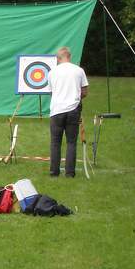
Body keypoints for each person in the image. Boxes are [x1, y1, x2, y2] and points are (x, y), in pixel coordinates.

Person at [49, 46, 89, 177]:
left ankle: (54, 172)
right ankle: (70, 173)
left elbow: (52, 92)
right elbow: (85, 92)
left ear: (58, 58)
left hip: (56, 110)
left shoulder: (52, 72)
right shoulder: (79, 70)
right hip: (73, 109)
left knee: (55, 142)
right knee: (71, 142)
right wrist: (76, 98)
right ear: (69, 57)